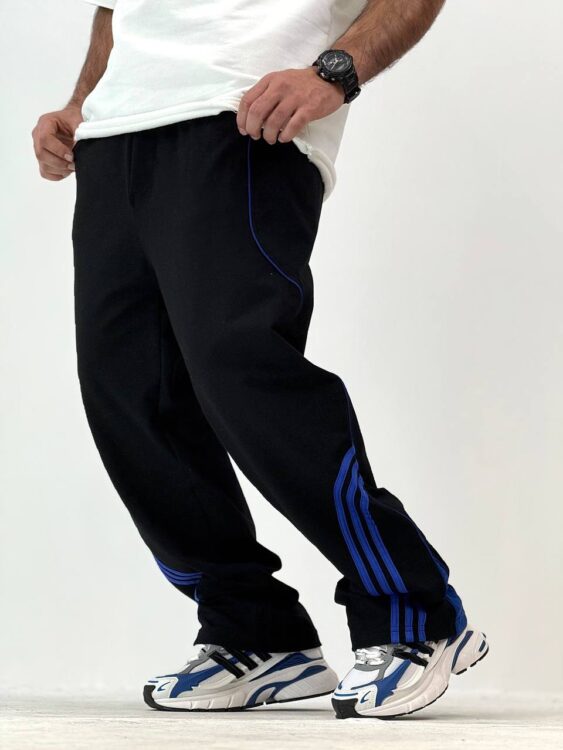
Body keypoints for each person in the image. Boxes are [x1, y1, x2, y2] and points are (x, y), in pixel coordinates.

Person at [32, 0, 487, 719]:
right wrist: (80, 104)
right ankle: (254, 629)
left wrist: (333, 72)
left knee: (242, 372)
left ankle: (413, 609)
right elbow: (115, 9)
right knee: (129, 395)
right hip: (114, 136)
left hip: (242, 117)